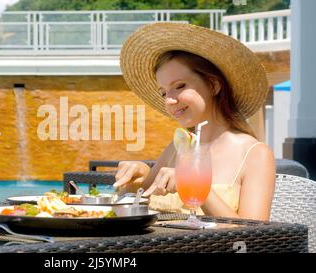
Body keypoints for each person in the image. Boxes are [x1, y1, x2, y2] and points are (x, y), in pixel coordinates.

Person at [114, 22, 276, 221]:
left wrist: (198, 187)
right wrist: (137, 177)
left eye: (180, 86)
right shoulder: (177, 147)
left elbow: (256, 239)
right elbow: (133, 204)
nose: (169, 100)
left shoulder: (255, 155)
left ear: (214, 84)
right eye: (164, 92)